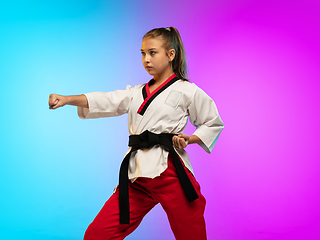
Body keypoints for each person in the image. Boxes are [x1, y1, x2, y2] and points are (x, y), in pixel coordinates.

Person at [48, 26, 224, 240]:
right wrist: (67, 99)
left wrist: (190, 138)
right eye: (142, 53)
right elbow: (107, 100)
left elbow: (212, 122)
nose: (146, 59)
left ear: (170, 55)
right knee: (97, 234)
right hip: (137, 175)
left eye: (152, 52)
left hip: (171, 173)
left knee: (191, 234)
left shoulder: (187, 90)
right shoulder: (136, 92)